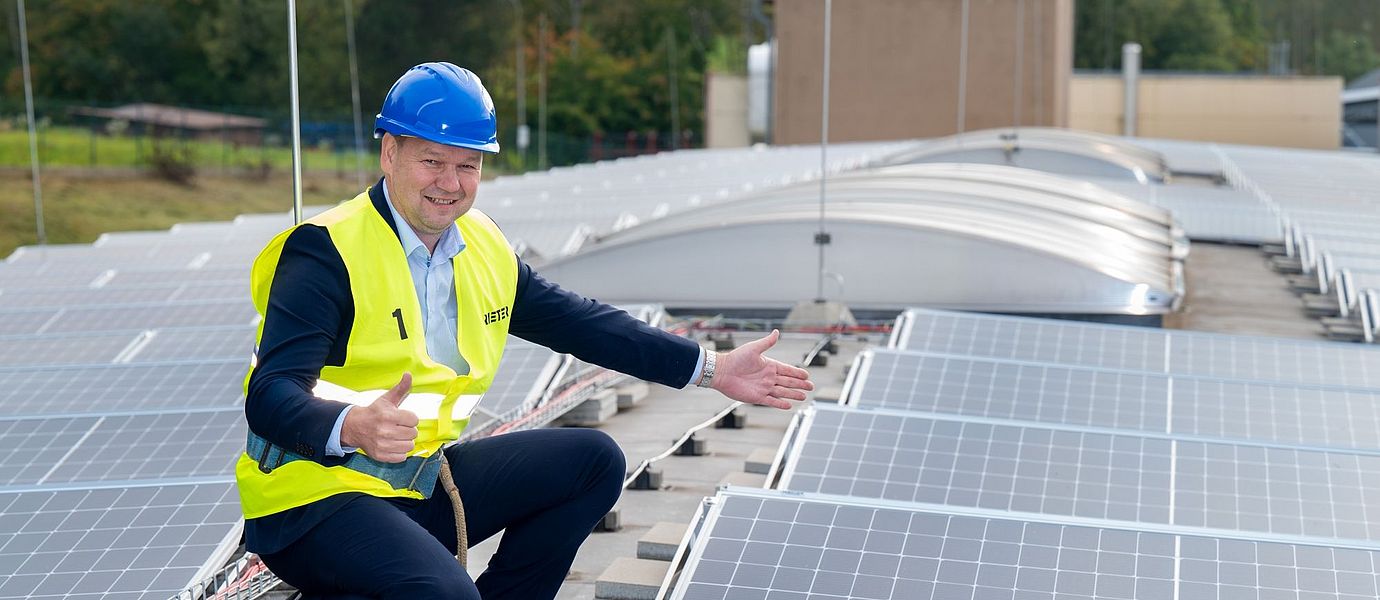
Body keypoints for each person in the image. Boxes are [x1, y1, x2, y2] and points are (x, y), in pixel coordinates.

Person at [235, 62, 814, 600]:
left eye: (469, 164)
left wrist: (711, 369)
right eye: (432, 161)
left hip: (418, 483)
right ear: (389, 153)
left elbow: (581, 324)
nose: (450, 183)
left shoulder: (481, 244)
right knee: (444, 596)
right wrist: (352, 425)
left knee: (592, 460)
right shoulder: (325, 252)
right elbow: (271, 397)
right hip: (317, 498)